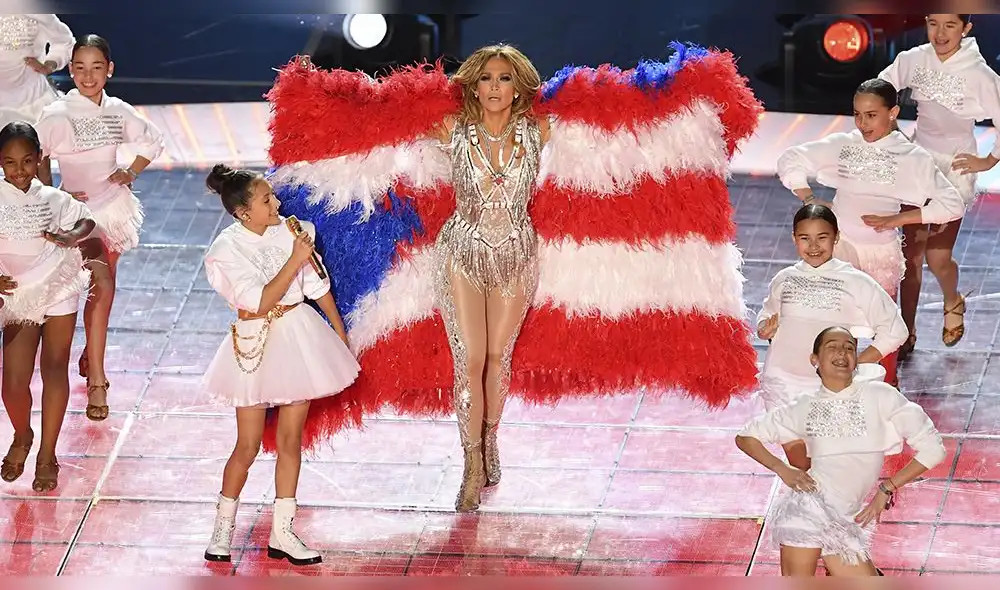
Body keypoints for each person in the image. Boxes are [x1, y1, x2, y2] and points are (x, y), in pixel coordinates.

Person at [264, 42, 764, 513]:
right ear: (473, 87)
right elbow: (384, 120)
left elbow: (609, 118)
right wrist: (327, 103)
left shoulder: (539, 129)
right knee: (470, 358)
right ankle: (471, 463)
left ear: (518, 85)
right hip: (460, 253)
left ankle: (490, 437)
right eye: (486, 79)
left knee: (498, 358)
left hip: (517, 256)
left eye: (504, 78)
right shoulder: (451, 131)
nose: (496, 87)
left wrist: (679, 99)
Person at [201, 164, 358, 566]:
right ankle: (223, 528)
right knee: (248, 445)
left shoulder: (291, 230)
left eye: (274, 196)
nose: (277, 203)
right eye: (266, 199)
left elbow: (315, 286)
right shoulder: (225, 250)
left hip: (298, 339)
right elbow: (259, 300)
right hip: (255, 343)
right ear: (242, 212)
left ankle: (283, 532)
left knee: (291, 441)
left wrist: (339, 335)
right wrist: (295, 257)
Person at [776, 78, 966, 386]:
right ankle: (830, 385)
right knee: (832, 321)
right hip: (839, 250)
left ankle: (884, 388)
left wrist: (898, 220)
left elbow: (951, 204)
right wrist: (809, 198)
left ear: (892, 113)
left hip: (880, 254)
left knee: (884, 326)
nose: (863, 123)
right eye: (857, 114)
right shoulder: (846, 144)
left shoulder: (911, 157)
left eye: (871, 115)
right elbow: (791, 158)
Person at [736, 326, 946, 576]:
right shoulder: (803, 406)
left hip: (846, 520)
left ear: (856, 359)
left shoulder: (881, 396)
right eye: (832, 346)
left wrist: (887, 488)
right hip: (808, 512)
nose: (842, 352)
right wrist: (783, 469)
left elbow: (933, 449)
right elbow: (745, 437)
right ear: (815, 359)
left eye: (849, 347)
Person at [35, 34, 165, 422]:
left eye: (96, 67)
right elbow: (37, 154)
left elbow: (152, 140)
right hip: (74, 214)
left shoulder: (118, 111)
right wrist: (45, 198)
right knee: (100, 286)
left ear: (109, 69)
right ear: (70, 70)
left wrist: (130, 172)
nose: (87, 76)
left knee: (103, 291)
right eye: (79, 68)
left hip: (112, 209)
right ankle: (97, 379)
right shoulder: (57, 114)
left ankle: (93, 358)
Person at [878, 14, 1000, 359]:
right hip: (919, 162)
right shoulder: (913, 59)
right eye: (934, 23)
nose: (941, 33)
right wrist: (892, 133)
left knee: (936, 256)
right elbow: (876, 90)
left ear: (966, 28)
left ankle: (952, 299)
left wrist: (989, 160)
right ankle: (907, 332)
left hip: (955, 167)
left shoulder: (979, 74)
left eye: (950, 25)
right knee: (910, 258)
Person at [757, 204, 908, 470]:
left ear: (836, 237)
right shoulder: (785, 279)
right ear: (794, 238)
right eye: (805, 238)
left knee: (827, 469)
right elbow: (767, 313)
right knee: (800, 467)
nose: (813, 246)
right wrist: (764, 328)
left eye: (822, 237)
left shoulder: (855, 281)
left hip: (826, 390)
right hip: (781, 381)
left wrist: (858, 362)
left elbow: (895, 329)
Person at [0, 121, 95, 492]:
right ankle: (23, 436)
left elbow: (85, 219)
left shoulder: (52, 198)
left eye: (27, 161)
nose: (19, 170)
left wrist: (70, 235)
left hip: (58, 284)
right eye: (9, 163)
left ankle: (47, 454)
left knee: (55, 368)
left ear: (39, 158)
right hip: (18, 294)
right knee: (12, 384)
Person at [0, 14, 75, 185]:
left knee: (40, 170)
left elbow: (65, 41)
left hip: (31, 101)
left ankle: (48, 211)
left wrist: (50, 64)